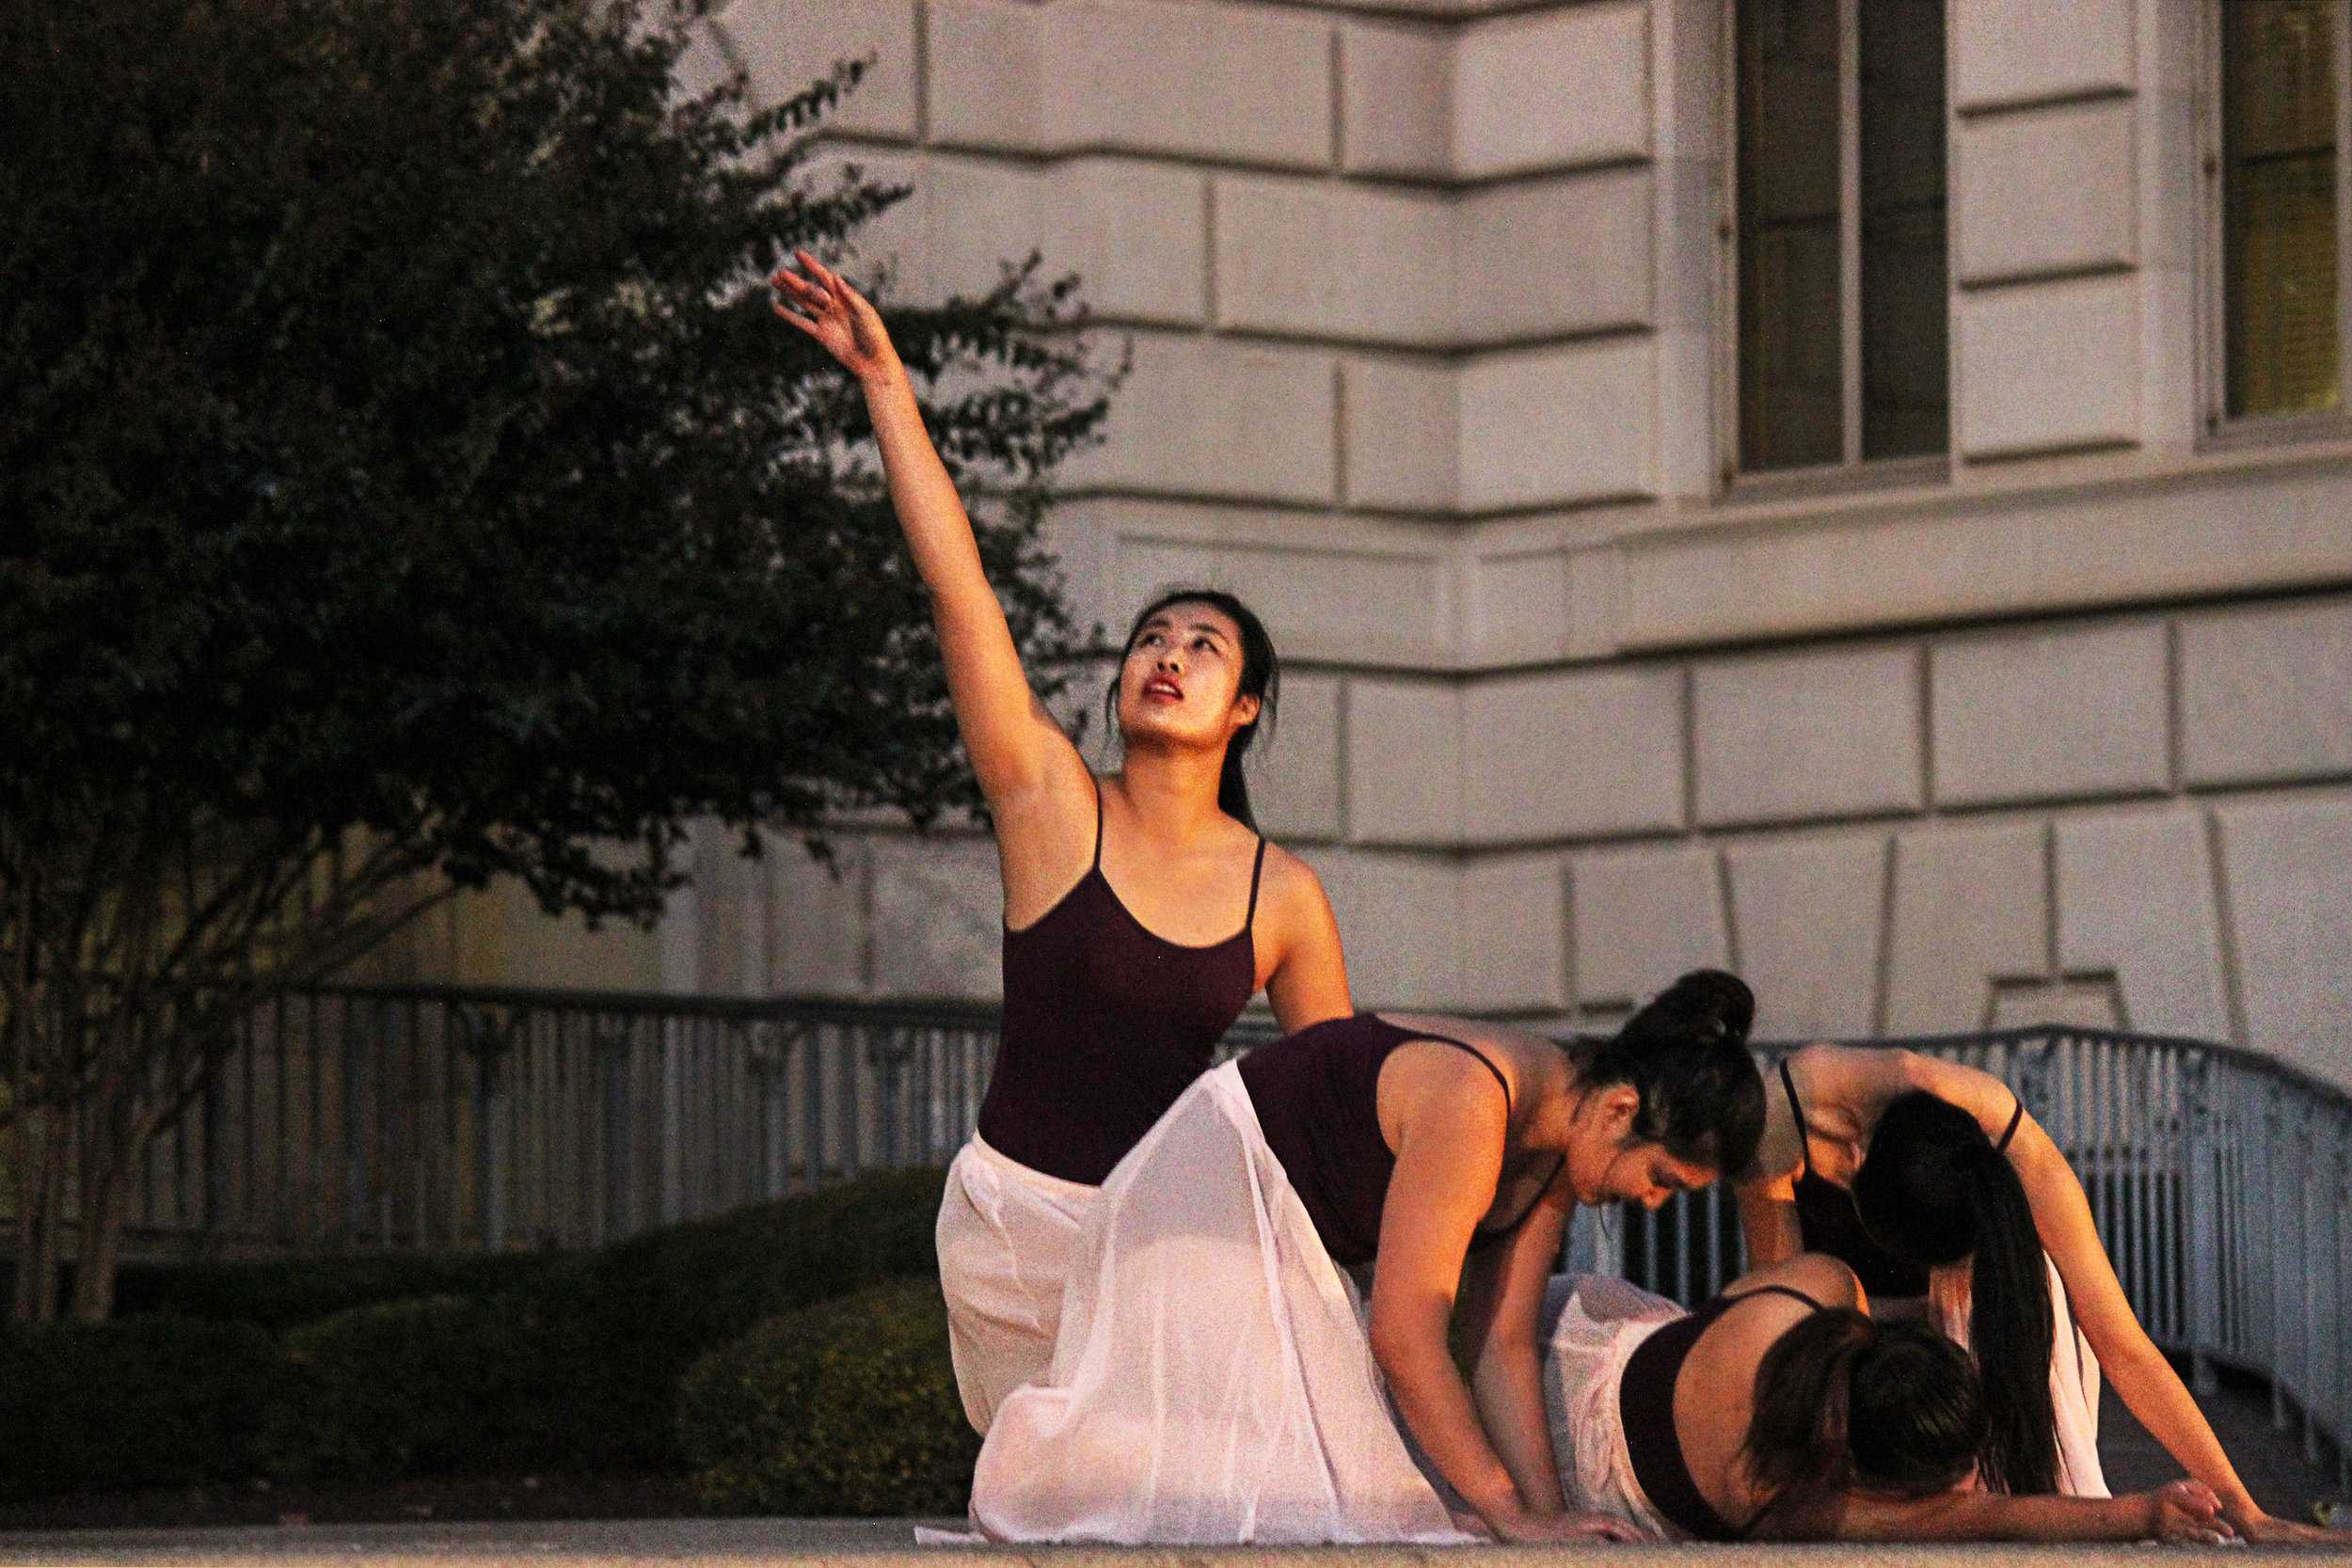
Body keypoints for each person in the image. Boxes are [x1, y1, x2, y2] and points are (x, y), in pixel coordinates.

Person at [771, 251, 1354, 1433]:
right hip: (1017, 1229)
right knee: (1068, 1500)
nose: (1171, 654)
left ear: (1242, 709)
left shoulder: (1281, 892)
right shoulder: (1049, 802)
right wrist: (886, 386)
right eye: (1153, 635)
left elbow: (1337, 1101)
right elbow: (962, 593)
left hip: (1161, 1236)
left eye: (1204, 646)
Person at [966, 971, 1767, 1544]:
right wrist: (1506, 1509)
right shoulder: (1475, 1103)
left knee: (1371, 1500)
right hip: (1208, 1200)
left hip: (1290, 1242)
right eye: (1660, 1178)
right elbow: (1407, 1332)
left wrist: (1548, 1519)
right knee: (1295, 1503)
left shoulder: (1562, 1145)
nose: (1653, 1200)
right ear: (1621, 1108)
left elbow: (1501, 1344)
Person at [1738, 1045, 2335, 1543]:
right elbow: (1788, 1325)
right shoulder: (1779, 1125)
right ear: (1855, 1163)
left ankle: (2038, 1504)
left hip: (1962, 1338)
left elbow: (2122, 1344)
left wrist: (2243, 1509)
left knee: (2039, 1278)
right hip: (1851, 1339)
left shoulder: (2005, 1132)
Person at [1542, 1253, 2237, 1543]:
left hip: (1580, 1327)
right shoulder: (1797, 1500)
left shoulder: (1818, 1288)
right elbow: (1994, 1515)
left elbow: (1717, 1310)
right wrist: (2141, 1511)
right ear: (1874, 1473)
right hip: (1567, 1450)